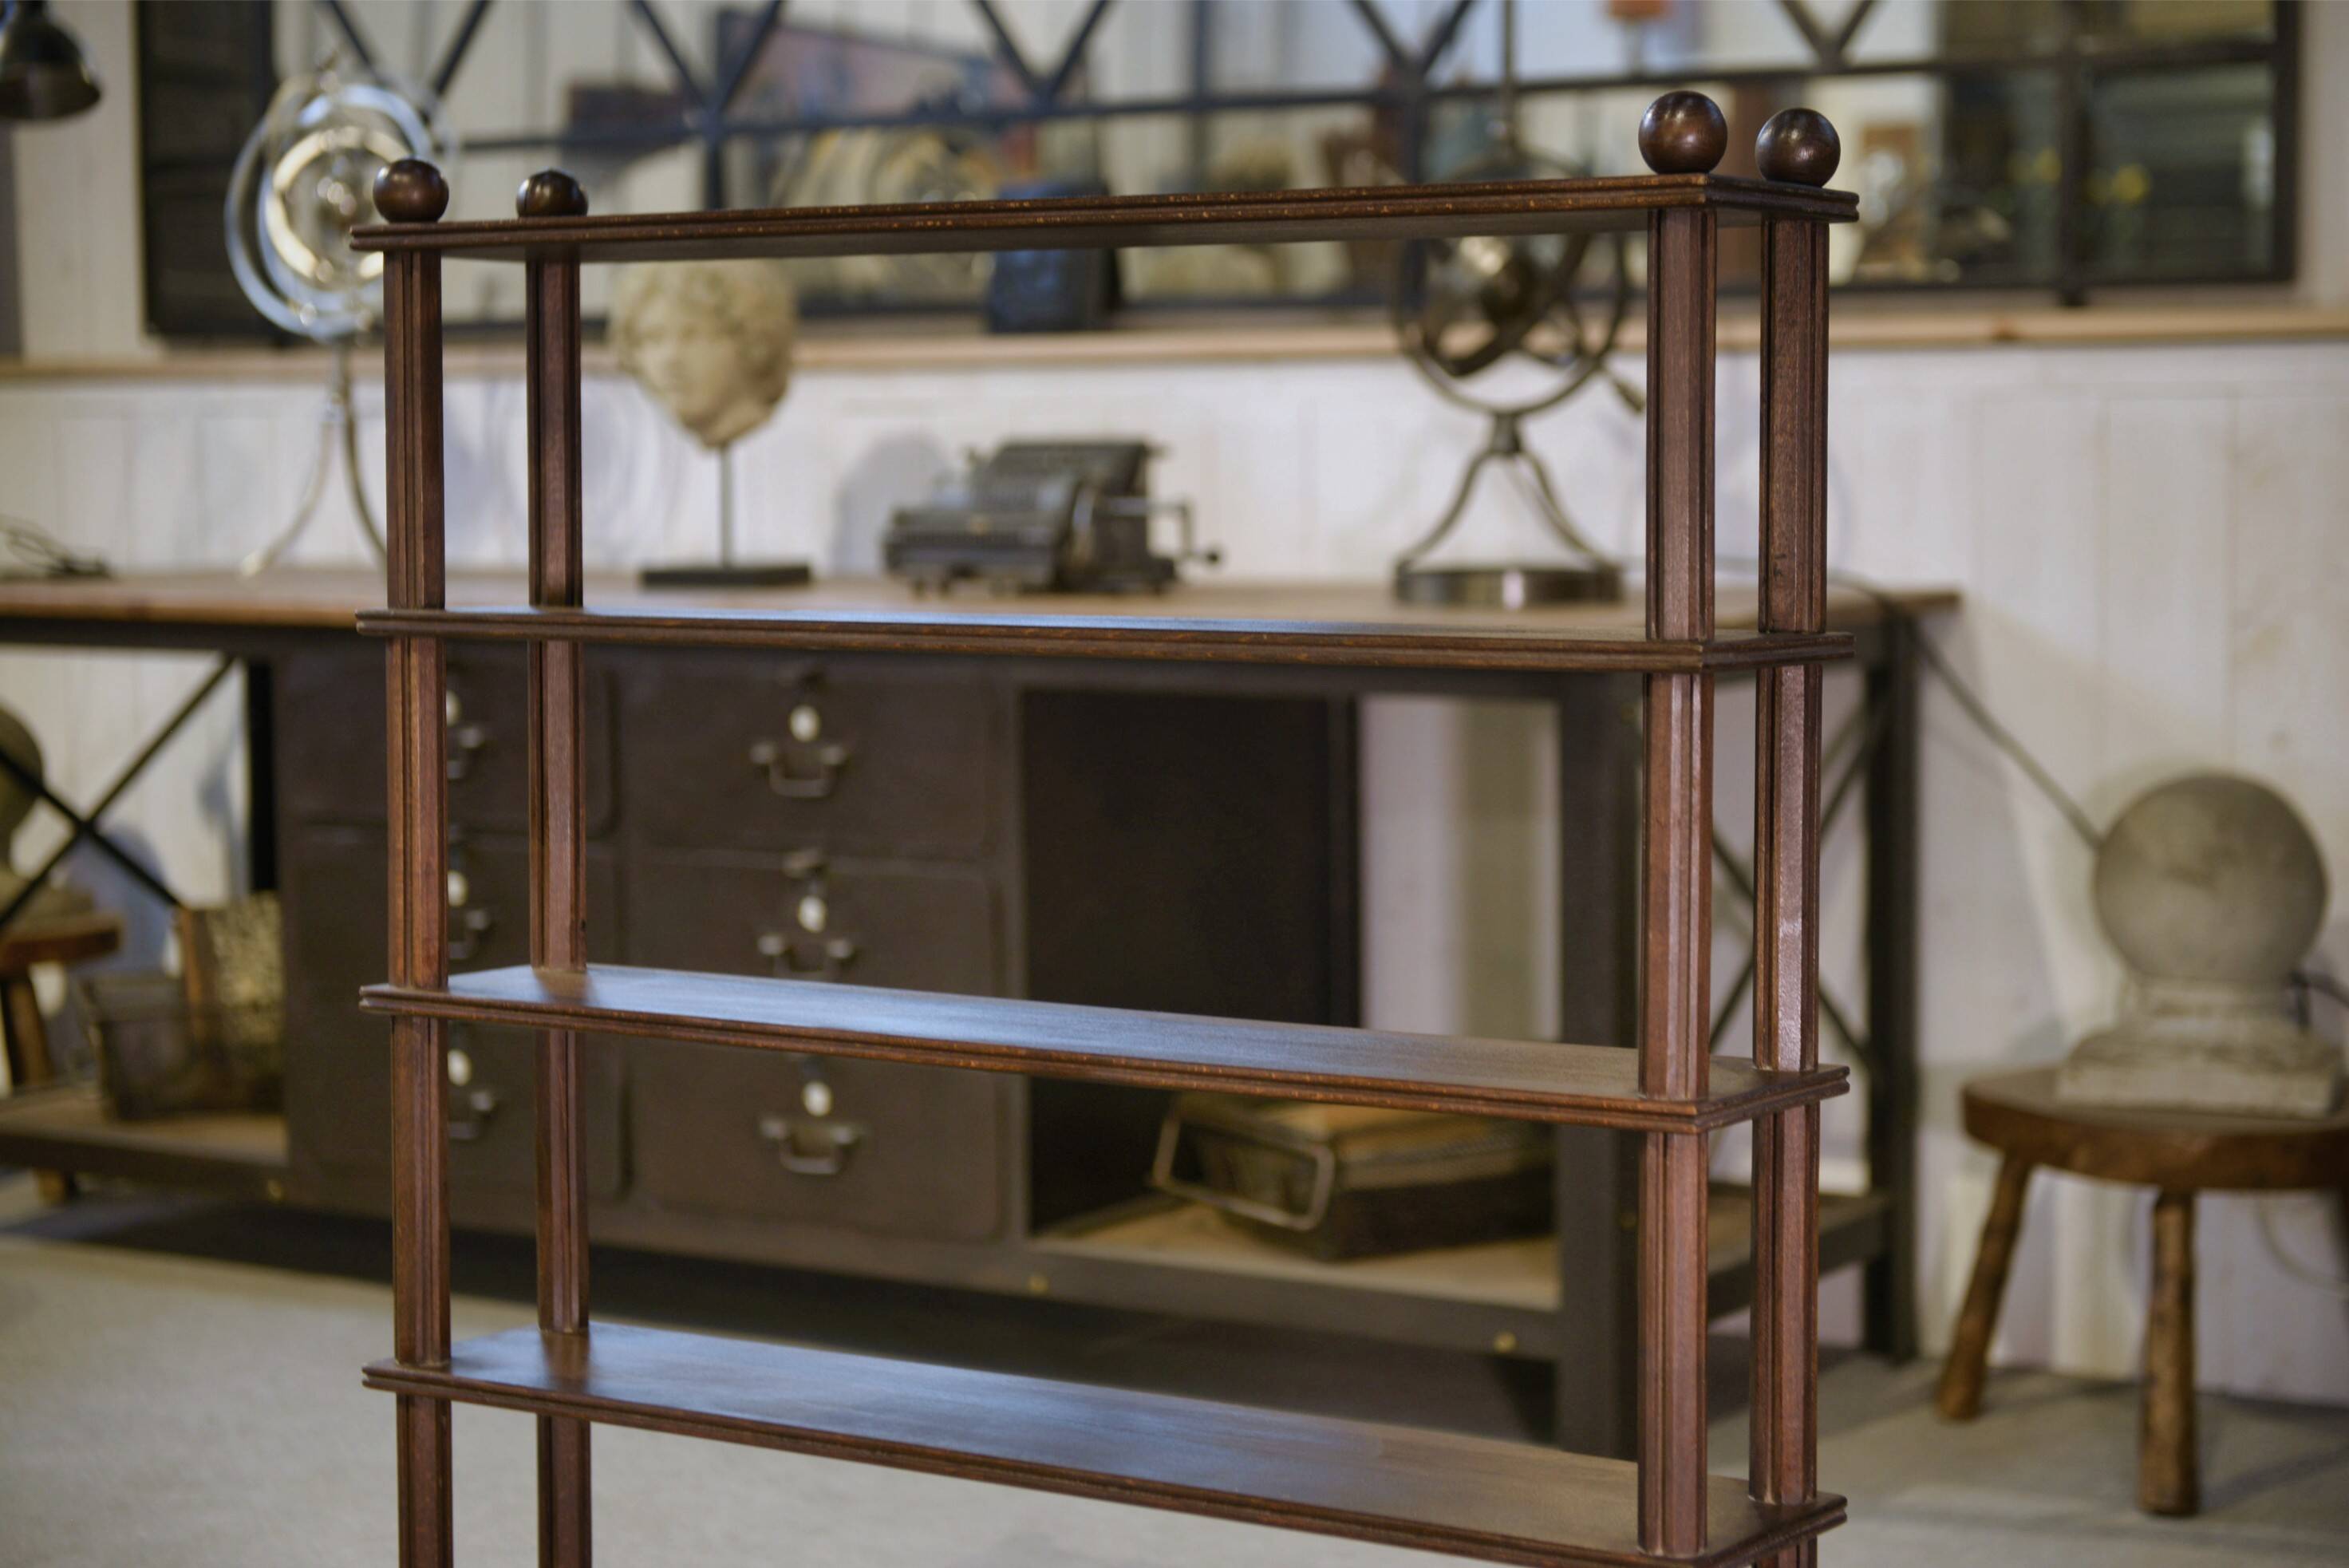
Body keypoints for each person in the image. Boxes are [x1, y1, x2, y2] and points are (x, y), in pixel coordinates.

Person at [610, 259, 798, 449]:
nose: (670, 358)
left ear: (750, 338)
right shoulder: (647, 445)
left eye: (692, 336)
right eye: (653, 339)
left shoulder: (792, 445)